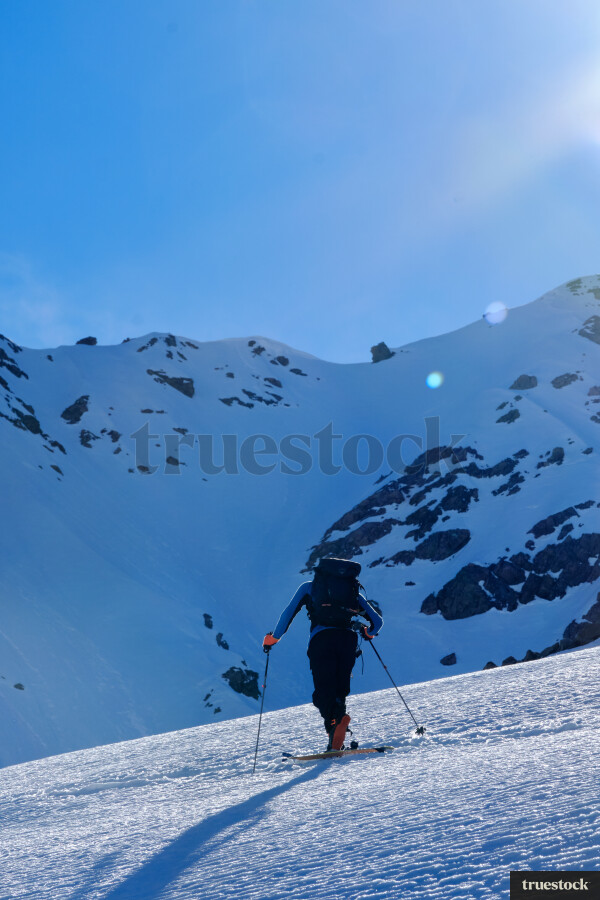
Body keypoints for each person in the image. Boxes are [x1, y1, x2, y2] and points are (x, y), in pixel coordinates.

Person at [262, 557, 383, 751]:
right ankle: (336, 735)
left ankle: (335, 728)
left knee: (323, 692)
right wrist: (368, 632)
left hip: (322, 640)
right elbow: (377, 622)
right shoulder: (353, 593)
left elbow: (288, 613)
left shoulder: (309, 588)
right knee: (339, 691)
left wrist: (273, 638)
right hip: (348, 641)